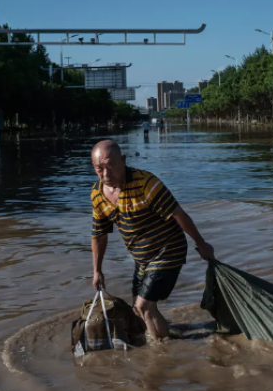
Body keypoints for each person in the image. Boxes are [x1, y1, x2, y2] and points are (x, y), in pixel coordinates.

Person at [90, 140, 214, 339]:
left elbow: (179, 214)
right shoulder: (97, 194)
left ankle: (161, 354)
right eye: (99, 169)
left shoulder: (146, 183)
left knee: (144, 306)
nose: (105, 174)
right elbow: (99, 234)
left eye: (110, 166)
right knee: (137, 310)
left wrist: (201, 244)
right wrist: (97, 270)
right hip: (142, 258)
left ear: (123, 160)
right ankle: (168, 335)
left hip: (169, 249)